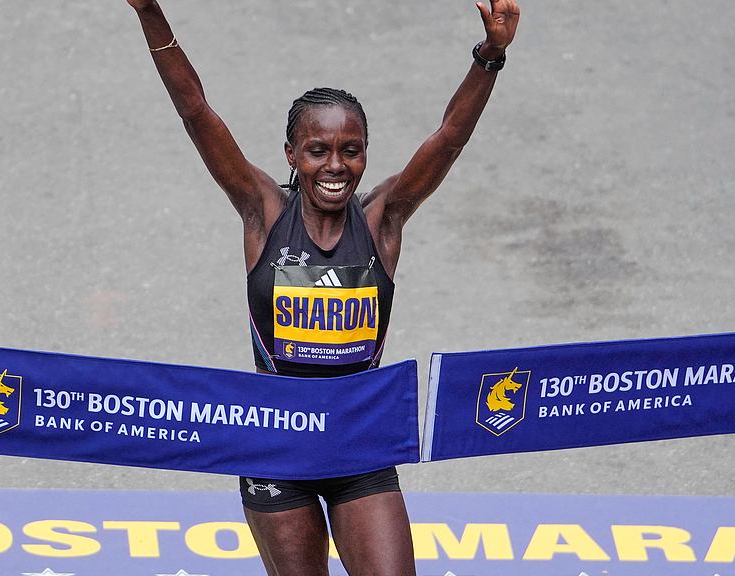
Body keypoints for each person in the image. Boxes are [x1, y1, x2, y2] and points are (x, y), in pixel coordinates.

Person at [123, 1, 520, 575]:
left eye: (350, 151)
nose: (335, 166)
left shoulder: (383, 220)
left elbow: (449, 136)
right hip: (276, 445)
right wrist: (149, 10)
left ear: (364, 155)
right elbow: (195, 109)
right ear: (292, 156)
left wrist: (491, 55)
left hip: (359, 442)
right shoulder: (263, 213)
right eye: (318, 151)